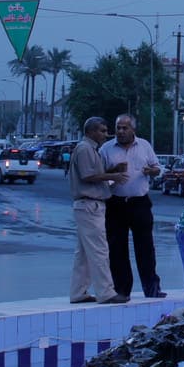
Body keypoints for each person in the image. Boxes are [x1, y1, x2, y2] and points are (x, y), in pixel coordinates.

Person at [102, 114, 165, 300]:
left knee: (145, 247)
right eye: (118, 128)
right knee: (117, 248)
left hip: (140, 203)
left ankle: (152, 288)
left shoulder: (144, 146)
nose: (120, 131)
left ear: (133, 130)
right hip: (116, 204)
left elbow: (157, 168)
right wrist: (113, 172)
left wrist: (152, 171)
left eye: (125, 128)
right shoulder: (106, 149)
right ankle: (122, 289)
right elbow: (99, 175)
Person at [69, 117, 121, 303]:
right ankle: (106, 292)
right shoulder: (84, 149)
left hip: (90, 205)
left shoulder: (91, 149)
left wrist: (112, 172)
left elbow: (95, 173)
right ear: (91, 131)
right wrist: (113, 175)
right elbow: (88, 175)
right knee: (99, 250)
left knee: (83, 253)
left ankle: (78, 292)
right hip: (89, 205)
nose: (105, 134)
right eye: (102, 130)